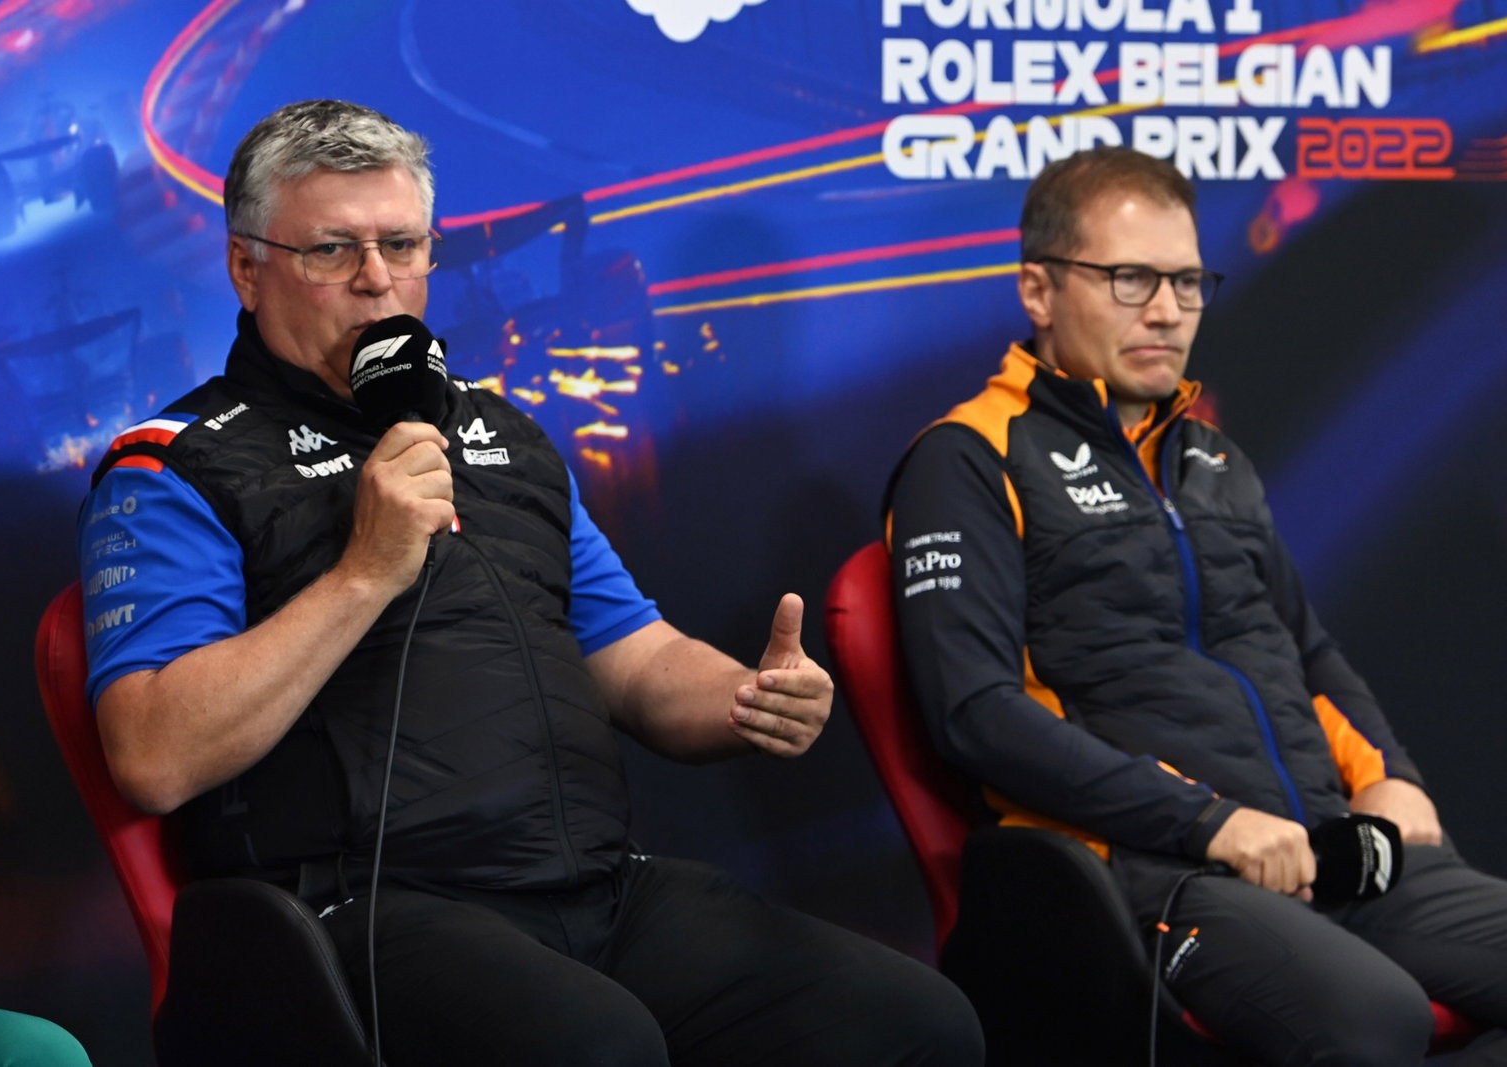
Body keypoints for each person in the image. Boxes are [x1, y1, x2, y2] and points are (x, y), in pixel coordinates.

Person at [77, 99, 982, 1066]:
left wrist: (742, 699)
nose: (378, 282)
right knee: (601, 1047)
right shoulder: (174, 468)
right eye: (331, 251)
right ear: (246, 268)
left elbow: (631, 656)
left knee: (917, 1023)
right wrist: (364, 572)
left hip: (592, 888)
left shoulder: (502, 436)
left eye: (403, 245)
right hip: (365, 915)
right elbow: (154, 753)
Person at [887, 146, 1507, 1066]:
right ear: (1038, 290)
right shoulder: (966, 459)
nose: (1168, 311)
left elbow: (1307, 650)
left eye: (1188, 282)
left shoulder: (1214, 463)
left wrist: (1390, 774)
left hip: (1326, 850)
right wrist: (1206, 821)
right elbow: (976, 713)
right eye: (1131, 278)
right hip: (1152, 873)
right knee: (1372, 1018)